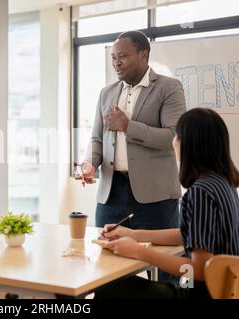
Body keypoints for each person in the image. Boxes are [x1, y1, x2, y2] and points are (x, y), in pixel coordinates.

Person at [94, 108, 239, 299]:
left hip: (200, 293)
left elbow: (199, 270)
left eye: (177, 136)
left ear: (190, 144)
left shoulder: (200, 192)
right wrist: (133, 234)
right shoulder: (223, 184)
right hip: (219, 289)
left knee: (110, 288)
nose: (174, 142)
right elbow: (188, 235)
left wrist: (138, 251)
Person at [78, 30, 186, 231]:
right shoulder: (106, 92)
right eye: (113, 57)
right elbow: (97, 139)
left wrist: (128, 126)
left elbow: (174, 137)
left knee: (158, 259)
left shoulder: (169, 87)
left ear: (143, 55)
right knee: (107, 259)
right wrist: (90, 164)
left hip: (155, 198)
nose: (116, 62)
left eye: (123, 56)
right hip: (110, 195)